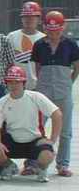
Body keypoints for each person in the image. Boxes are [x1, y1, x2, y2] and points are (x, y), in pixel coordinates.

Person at [0, 65, 62, 182]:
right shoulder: (1, 102)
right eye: (10, 82)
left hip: (34, 139)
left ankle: (41, 169)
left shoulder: (35, 97)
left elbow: (57, 114)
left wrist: (52, 140)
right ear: (6, 83)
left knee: (47, 155)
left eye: (17, 82)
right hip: (12, 140)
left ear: (24, 83)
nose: (13, 85)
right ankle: (9, 166)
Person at [31, 11, 78, 177]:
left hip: (63, 91)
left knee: (65, 131)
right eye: (50, 30)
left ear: (62, 28)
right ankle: (33, 164)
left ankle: (63, 165)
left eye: (56, 30)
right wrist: (43, 84)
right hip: (43, 92)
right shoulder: (39, 45)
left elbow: (76, 67)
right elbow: (37, 68)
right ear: (45, 28)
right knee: (36, 129)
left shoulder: (71, 45)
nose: (53, 34)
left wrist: (68, 82)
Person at [8, 1, 45, 90]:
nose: (28, 19)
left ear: (38, 19)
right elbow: (7, 64)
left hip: (38, 87)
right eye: (25, 17)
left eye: (32, 17)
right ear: (21, 19)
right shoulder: (11, 37)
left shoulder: (44, 39)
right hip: (16, 85)